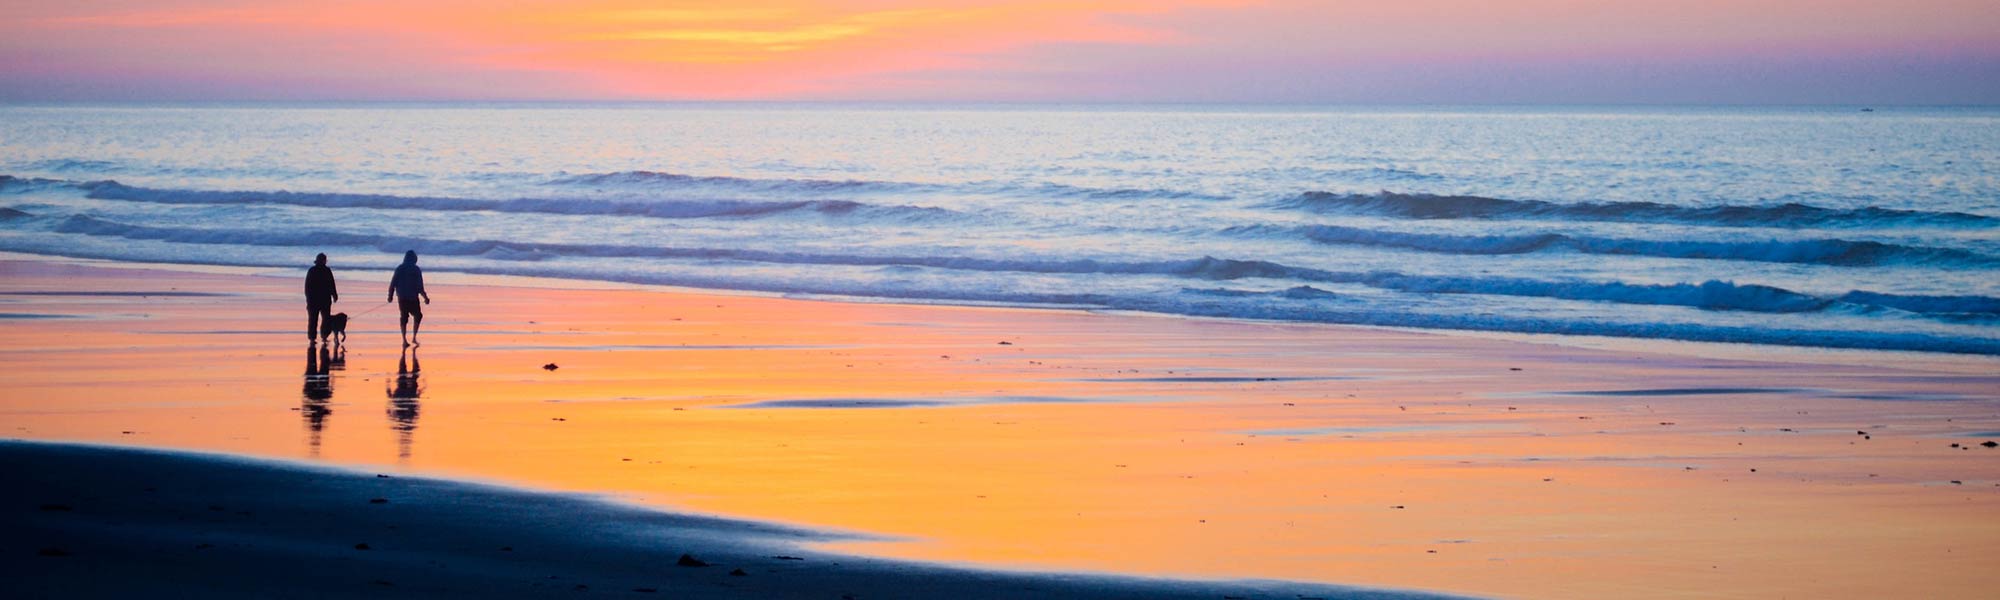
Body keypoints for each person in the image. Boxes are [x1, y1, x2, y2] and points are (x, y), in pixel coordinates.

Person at [387, 250, 430, 347]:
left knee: (404, 317)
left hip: (402, 298)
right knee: (418, 315)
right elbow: (420, 286)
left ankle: (404, 340)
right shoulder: (416, 269)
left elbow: (393, 283)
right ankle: (414, 337)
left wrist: (390, 296)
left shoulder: (399, 268)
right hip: (413, 298)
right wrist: (425, 297)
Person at [304, 253, 338, 344]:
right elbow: (332, 284)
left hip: (314, 299)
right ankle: (323, 336)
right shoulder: (326, 270)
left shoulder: (312, 270)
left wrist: (308, 298)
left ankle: (313, 338)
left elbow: (307, 287)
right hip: (324, 299)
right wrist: (334, 295)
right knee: (324, 319)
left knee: (314, 319)